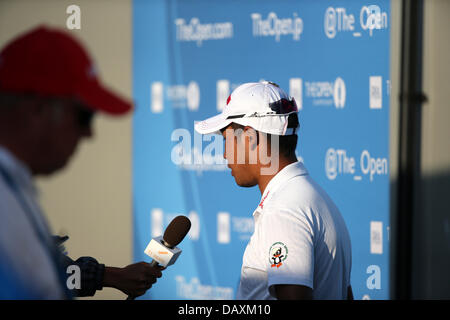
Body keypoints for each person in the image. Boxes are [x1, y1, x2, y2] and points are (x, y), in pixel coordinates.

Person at [0, 25, 161, 299]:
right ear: (38, 109)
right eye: (83, 116)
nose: (89, 133)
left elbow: (46, 274)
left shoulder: (14, 184)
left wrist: (112, 276)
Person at [194, 81, 353, 300]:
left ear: (250, 138)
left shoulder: (284, 209)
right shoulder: (312, 197)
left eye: (226, 140)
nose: (224, 155)